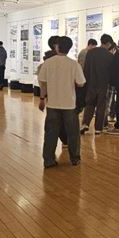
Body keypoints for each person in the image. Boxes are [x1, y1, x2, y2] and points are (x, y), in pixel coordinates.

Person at [37, 36, 84, 168]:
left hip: (52, 103)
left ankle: (48, 160)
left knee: (51, 133)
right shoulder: (74, 64)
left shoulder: (48, 63)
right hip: (69, 103)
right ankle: (74, 158)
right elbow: (81, 83)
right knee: (73, 133)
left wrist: (41, 99)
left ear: (57, 47)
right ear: (69, 48)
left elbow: (43, 84)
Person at [80, 34, 114, 135]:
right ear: (108, 43)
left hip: (91, 83)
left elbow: (86, 69)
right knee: (101, 106)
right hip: (103, 84)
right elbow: (111, 72)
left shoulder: (90, 53)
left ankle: (85, 124)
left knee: (89, 104)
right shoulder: (109, 56)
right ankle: (98, 128)